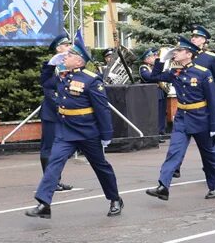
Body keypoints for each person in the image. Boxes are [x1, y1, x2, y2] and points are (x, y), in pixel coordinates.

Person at [26, 31, 121, 219]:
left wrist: (106, 135)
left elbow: (102, 110)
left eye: (70, 55)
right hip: (66, 130)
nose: (65, 56)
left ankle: (115, 198)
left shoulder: (91, 80)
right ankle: (44, 203)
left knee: (100, 166)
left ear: (79, 61)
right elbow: (45, 82)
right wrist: (50, 64)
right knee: (54, 163)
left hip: (87, 131)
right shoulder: (63, 76)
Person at [144, 37, 215, 201]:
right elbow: (153, 77)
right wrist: (160, 60)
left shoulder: (202, 73)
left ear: (189, 54)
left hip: (201, 118)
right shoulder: (175, 72)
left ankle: (214, 186)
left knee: (208, 156)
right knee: (174, 151)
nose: (175, 53)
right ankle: (163, 186)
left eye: (178, 51)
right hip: (182, 118)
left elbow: (213, 100)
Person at [38, 34, 74, 192]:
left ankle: (56, 179)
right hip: (52, 114)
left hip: (65, 114)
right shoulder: (51, 66)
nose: (69, 48)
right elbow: (49, 92)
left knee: (61, 149)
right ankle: (50, 181)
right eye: (66, 45)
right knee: (49, 148)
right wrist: (62, 106)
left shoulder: (68, 66)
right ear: (58, 48)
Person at [139, 47, 168, 135]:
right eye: (153, 56)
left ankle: (161, 132)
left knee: (162, 114)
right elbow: (150, 77)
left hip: (160, 93)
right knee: (156, 114)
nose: (155, 58)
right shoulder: (143, 68)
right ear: (147, 59)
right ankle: (156, 133)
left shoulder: (154, 67)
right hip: (153, 94)